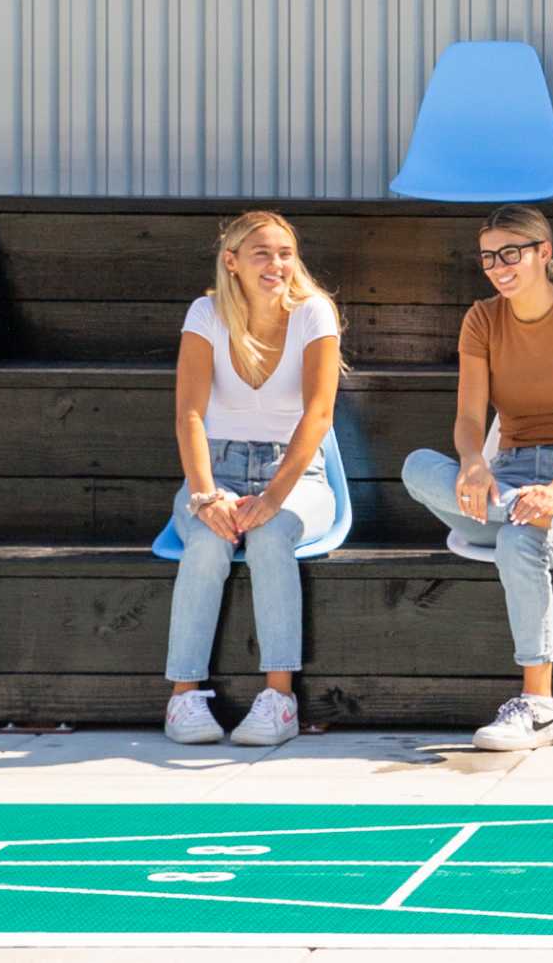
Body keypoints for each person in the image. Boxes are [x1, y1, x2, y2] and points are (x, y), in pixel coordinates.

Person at [400, 206, 553, 752]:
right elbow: (471, 418)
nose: (499, 267)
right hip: (508, 477)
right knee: (417, 468)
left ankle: (539, 707)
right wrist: (473, 461)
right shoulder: (481, 319)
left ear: (542, 252)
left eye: (511, 254)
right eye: (488, 258)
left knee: (517, 540)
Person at [163, 211, 346, 747]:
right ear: (232, 261)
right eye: (262, 253)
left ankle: (279, 700)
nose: (277, 265)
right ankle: (183, 698)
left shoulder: (315, 312)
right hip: (215, 469)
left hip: (294, 473)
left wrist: (273, 495)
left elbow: (318, 416)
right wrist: (204, 495)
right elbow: (190, 415)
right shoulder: (206, 313)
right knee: (206, 540)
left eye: (285, 253)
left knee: (269, 535)